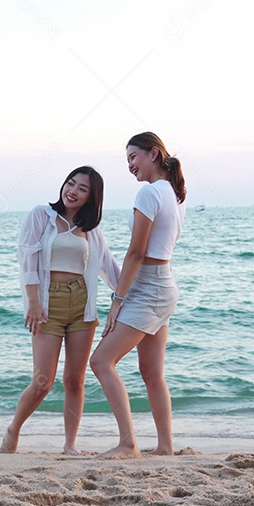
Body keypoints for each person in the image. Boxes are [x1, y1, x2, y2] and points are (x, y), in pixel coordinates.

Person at [0, 166, 121, 455]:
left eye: (82, 188)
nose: (73, 191)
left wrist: (129, 295)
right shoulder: (41, 215)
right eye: (71, 183)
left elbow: (111, 270)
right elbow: (27, 259)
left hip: (82, 305)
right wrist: (33, 302)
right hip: (46, 302)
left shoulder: (92, 231)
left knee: (75, 380)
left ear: (92, 198)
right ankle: (13, 429)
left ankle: (70, 445)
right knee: (43, 381)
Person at [89, 132, 186, 459]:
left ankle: (128, 443)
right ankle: (165, 446)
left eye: (134, 157)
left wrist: (118, 300)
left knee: (101, 361)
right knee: (152, 373)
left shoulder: (148, 194)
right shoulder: (172, 193)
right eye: (127, 159)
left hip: (148, 288)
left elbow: (136, 253)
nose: (130, 165)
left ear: (154, 154)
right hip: (164, 285)